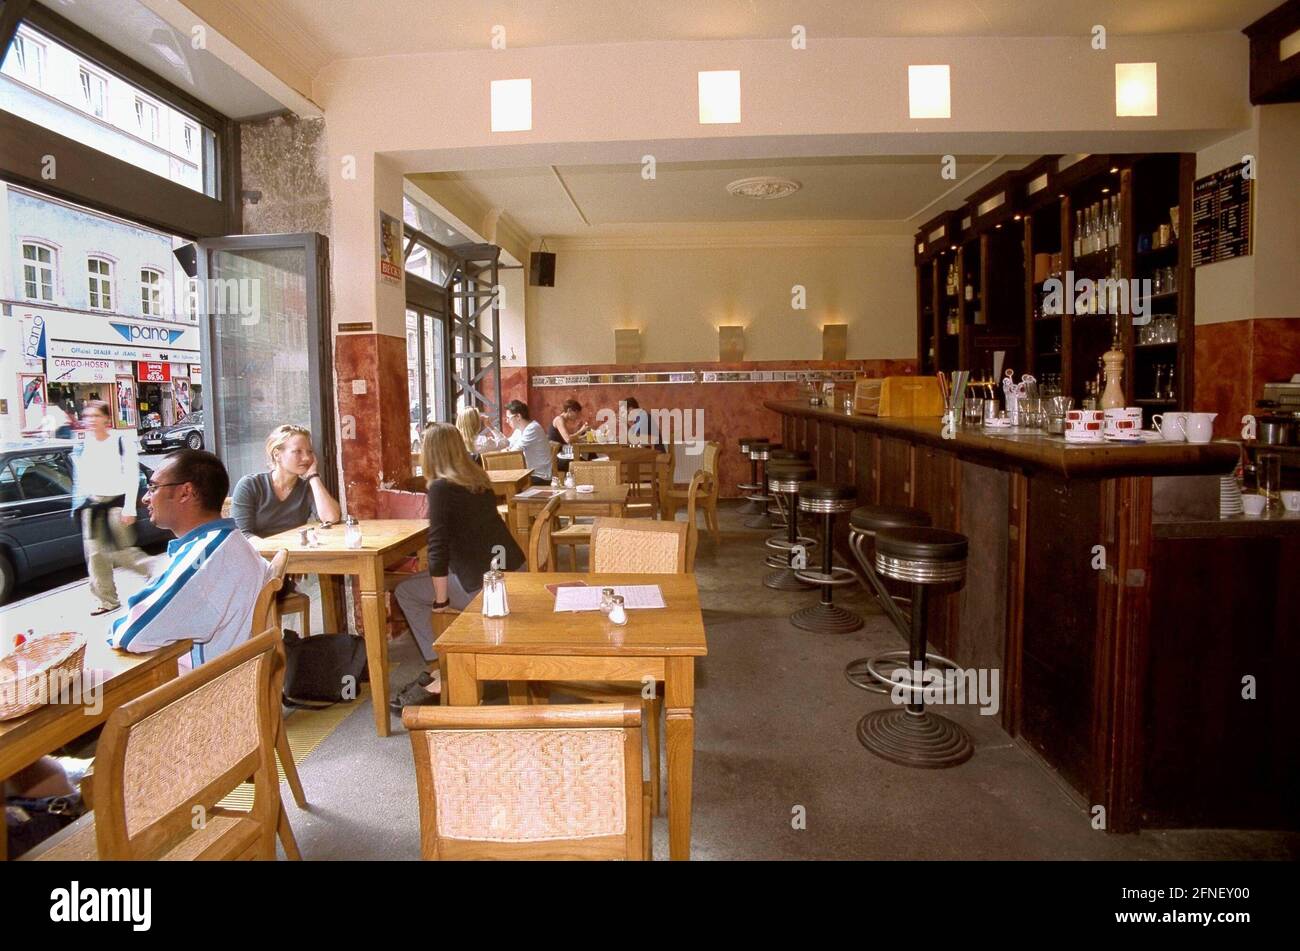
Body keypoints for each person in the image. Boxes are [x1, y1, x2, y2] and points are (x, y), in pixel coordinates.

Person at [392, 423, 525, 707]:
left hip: (485, 589)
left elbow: (437, 548)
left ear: (430, 453)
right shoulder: (479, 479)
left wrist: (441, 602)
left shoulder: (440, 488)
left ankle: (441, 668)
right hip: (515, 575)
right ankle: (444, 666)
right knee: (430, 581)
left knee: (406, 592)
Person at [107, 449, 270, 671]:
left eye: (153, 487)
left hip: (203, 693)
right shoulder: (229, 541)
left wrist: (115, 630)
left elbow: (131, 634)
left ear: (186, 492)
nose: (146, 497)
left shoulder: (204, 559)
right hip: (235, 679)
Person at [71, 400, 150, 617]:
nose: (91, 421)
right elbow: (81, 478)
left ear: (107, 418)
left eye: (96, 416)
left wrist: (129, 508)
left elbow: (132, 476)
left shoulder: (121, 442)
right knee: (96, 556)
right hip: (93, 507)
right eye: (87, 417)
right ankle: (107, 600)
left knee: (122, 553)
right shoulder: (84, 445)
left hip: (116, 504)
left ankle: (155, 573)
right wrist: (79, 506)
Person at [230, 424, 341, 538]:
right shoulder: (250, 485)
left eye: (309, 452)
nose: (307, 458)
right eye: (298, 451)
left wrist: (313, 476)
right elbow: (240, 534)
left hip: (292, 553)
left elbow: (331, 518)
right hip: (257, 554)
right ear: (277, 455)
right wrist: (273, 551)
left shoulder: (307, 488)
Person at [505, 399, 553, 484]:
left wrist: (507, 450)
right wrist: (491, 427)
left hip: (539, 476)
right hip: (528, 473)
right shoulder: (519, 430)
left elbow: (514, 452)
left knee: (505, 484)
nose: (507, 421)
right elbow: (506, 443)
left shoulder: (533, 428)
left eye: (508, 418)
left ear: (518, 417)